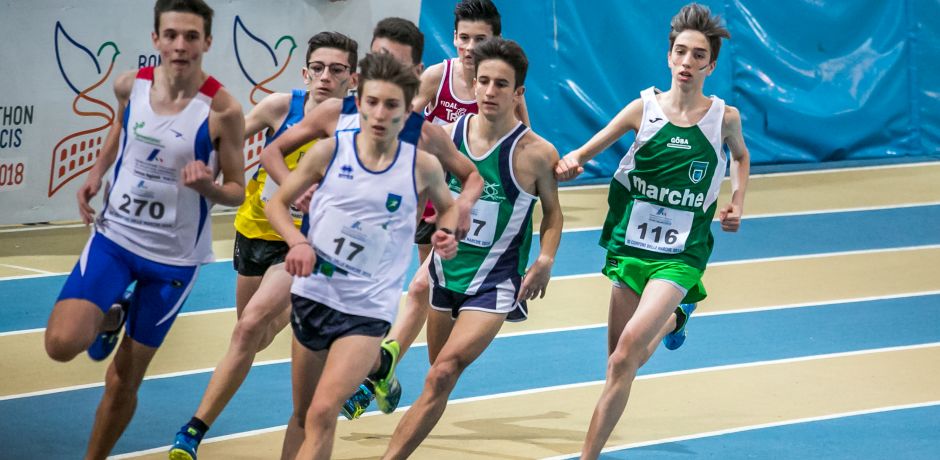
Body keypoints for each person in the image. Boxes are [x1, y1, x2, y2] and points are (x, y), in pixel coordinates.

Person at [43, 1, 245, 458]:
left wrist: (209, 187)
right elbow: (120, 128)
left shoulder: (223, 111)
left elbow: (238, 189)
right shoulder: (129, 86)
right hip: (116, 239)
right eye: (171, 35)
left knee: (124, 378)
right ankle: (112, 314)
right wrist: (97, 172)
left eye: (191, 36)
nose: (180, 45)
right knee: (61, 344)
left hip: (173, 260)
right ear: (156, 39)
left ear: (207, 42)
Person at [259, 17, 483, 421]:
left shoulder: (425, 139)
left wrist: (459, 209)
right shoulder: (337, 115)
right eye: (378, 58)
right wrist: (296, 193)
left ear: (415, 72)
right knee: (252, 330)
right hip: (317, 263)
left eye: (395, 64)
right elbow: (273, 152)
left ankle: (376, 365)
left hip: (375, 280)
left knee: (323, 408)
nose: (384, 70)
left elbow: (471, 177)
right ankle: (380, 367)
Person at [554, 4, 751, 458]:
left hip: (681, 255)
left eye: (698, 55)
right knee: (619, 364)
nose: (687, 62)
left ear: (711, 65)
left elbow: (740, 157)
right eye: (680, 52)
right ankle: (674, 320)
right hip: (631, 246)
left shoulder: (724, 118)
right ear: (668, 56)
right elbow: (586, 150)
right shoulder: (643, 108)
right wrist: (571, 162)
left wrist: (737, 200)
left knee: (626, 352)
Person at [168, 31, 358, 459]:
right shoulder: (281, 106)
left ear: (353, 78)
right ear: (305, 73)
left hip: (302, 243)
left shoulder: (355, 125)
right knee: (255, 335)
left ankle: (193, 431)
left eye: (337, 70)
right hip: (254, 230)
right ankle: (306, 310)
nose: (326, 77)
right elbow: (228, 138)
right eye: (318, 68)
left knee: (250, 324)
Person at [342, 0, 534, 420]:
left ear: (495, 41)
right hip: (432, 198)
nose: (469, 47)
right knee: (424, 290)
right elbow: (402, 121)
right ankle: (393, 373)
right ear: (453, 39)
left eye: (480, 39)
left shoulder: (502, 88)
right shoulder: (436, 77)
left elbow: (524, 151)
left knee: (422, 290)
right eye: (463, 38)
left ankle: (388, 372)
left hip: (479, 208)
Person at [383, 37, 563, 459]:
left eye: (501, 84)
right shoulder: (448, 136)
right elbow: (422, 191)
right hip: (444, 274)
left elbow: (553, 214)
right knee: (437, 371)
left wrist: (545, 259)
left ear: (518, 92)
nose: (489, 91)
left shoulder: (536, 154)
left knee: (442, 374)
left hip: (495, 284)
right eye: (483, 81)